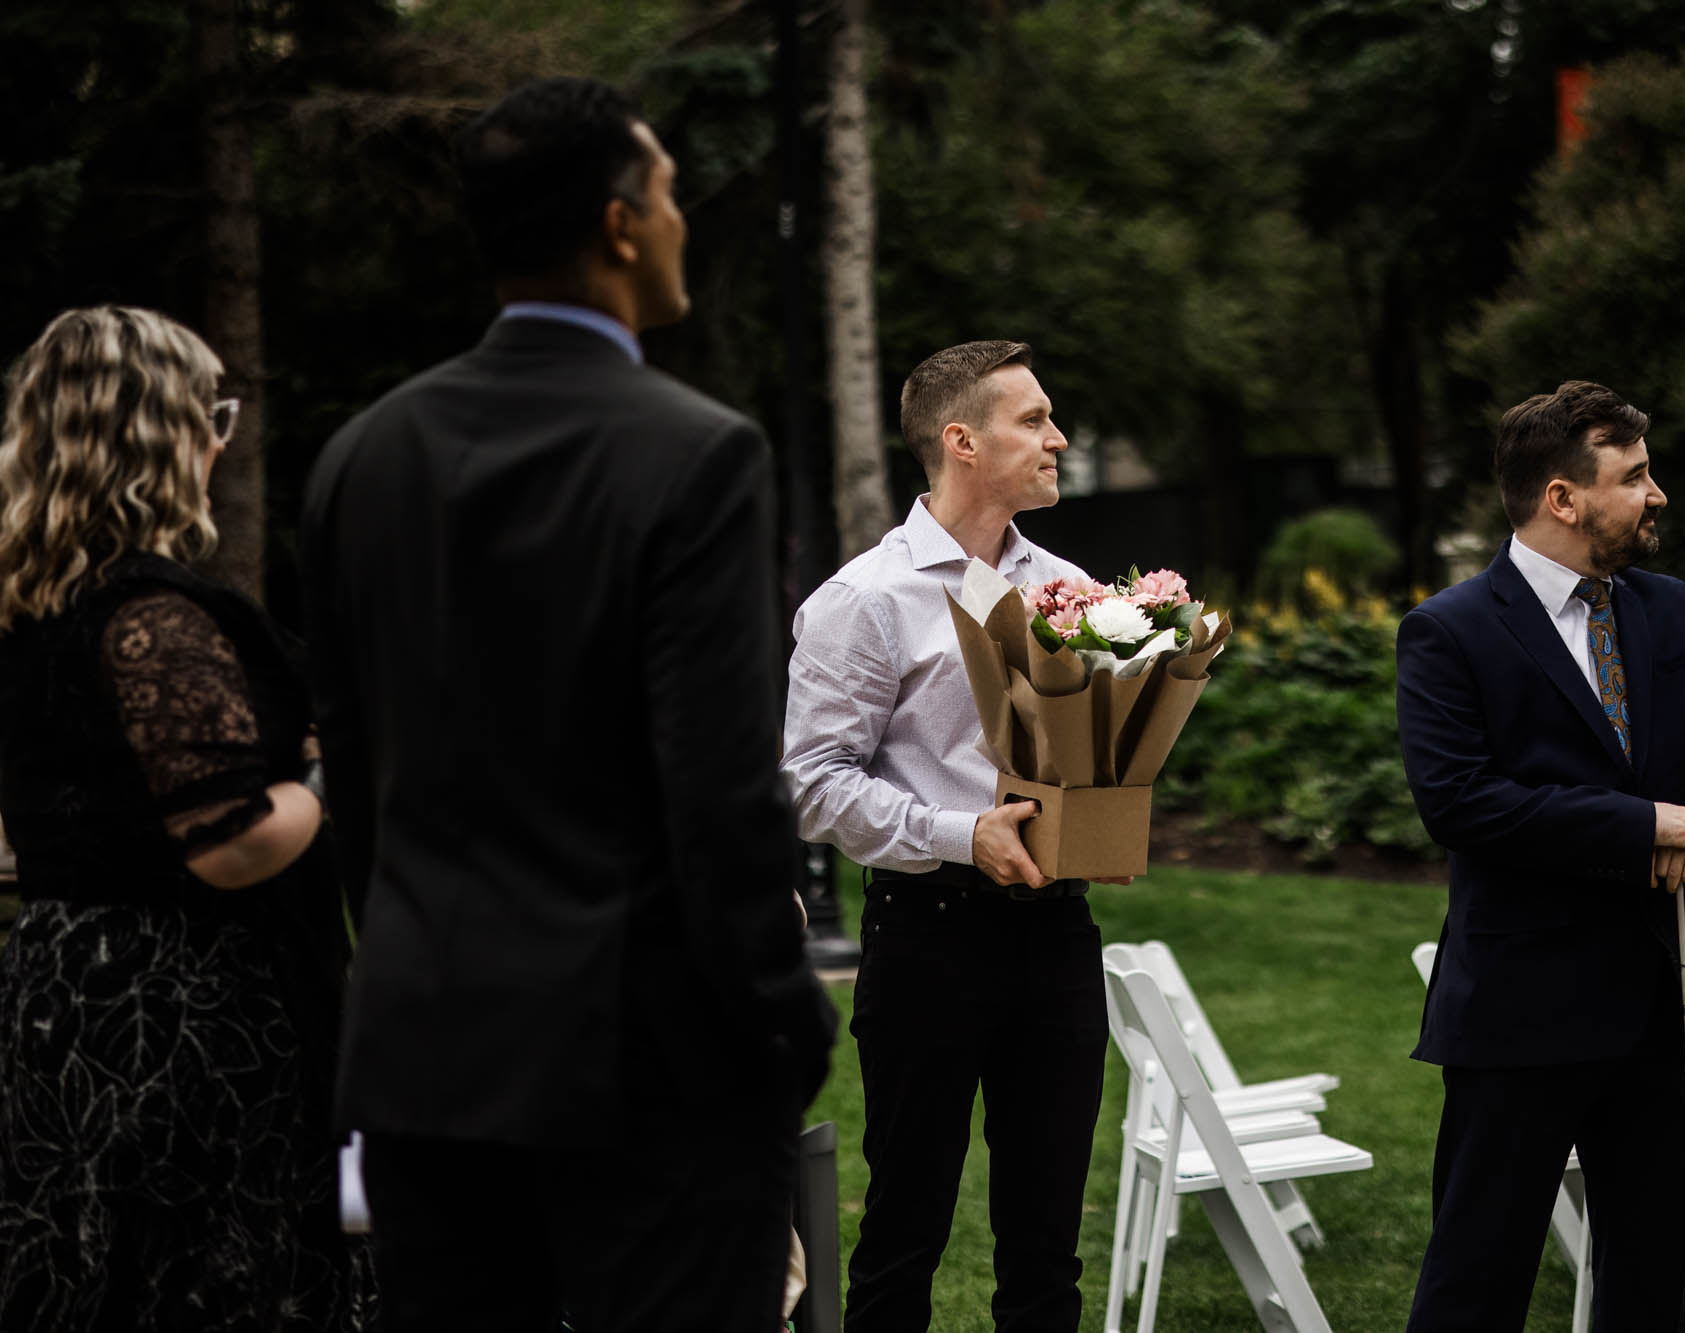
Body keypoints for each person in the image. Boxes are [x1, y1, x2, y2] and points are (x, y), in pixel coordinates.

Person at [299, 77, 835, 1333]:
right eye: (670, 192)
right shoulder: (693, 452)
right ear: (619, 225)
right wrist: (783, 1023)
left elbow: (361, 791)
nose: (682, 220)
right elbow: (717, 792)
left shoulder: (362, 456)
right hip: (643, 1069)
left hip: (426, 1057)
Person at [0, 306, 372, 1330]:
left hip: (65, 990)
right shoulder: (151, 615)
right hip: (179, 1018)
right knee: (199, 1282)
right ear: (160, 437)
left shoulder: (34, 602)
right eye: (212, 416)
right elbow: (231, 839)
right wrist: (325, 772)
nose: (221, 443)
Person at [1395, 380, 1685, 1331]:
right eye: (1634, 475)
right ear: (1562, 497)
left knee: (1648, 1286)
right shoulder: (1450, 629)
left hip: (1672, 999)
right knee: (1477, 1283)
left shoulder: (1669, 609)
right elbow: (1460, 801)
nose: (1657, 493)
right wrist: (1645, 826)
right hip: (1524, 1011)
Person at [782, 340, 1109, 1332]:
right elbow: (811, 786)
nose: (1057, 438)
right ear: (962, 440)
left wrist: (1103, 810)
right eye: (1033, 419)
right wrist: (966, 834)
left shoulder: (1072, 589)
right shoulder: (864, 600)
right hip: (928, 937)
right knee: (902, 1236)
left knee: (1047, 1247)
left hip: (1058, 935)